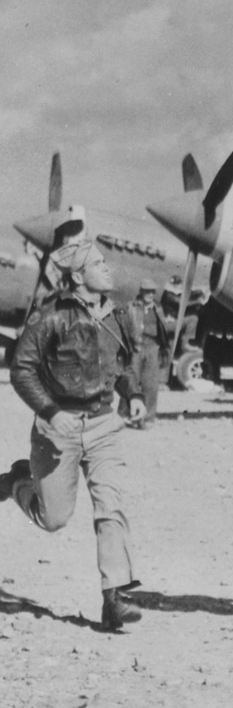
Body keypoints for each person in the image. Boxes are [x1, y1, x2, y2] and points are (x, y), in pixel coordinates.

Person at [0, 239, 146, 631]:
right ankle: (16, 481)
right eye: (98, 264)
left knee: (110, 506)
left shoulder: (117, 316)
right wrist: (50, 411)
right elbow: (21, 370)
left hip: (103, 426)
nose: (108, 268)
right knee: (53, 518)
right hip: (57, 429)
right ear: (78, 277)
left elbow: (123, 365)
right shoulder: (50, 316)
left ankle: (114, 597)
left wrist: (132, 395)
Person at [119, 279, 172, 428]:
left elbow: (164, 330)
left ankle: (147, 419)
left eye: (152, 292)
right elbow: (123, 325)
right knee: (130, 381)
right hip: (136, 347)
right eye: (147, 291)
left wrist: (164, 349)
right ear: (141, 291)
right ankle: (124, 415)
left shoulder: (158, 309)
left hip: (153, 347)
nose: (150, 294)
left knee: (151, 385)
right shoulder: (132, 306)